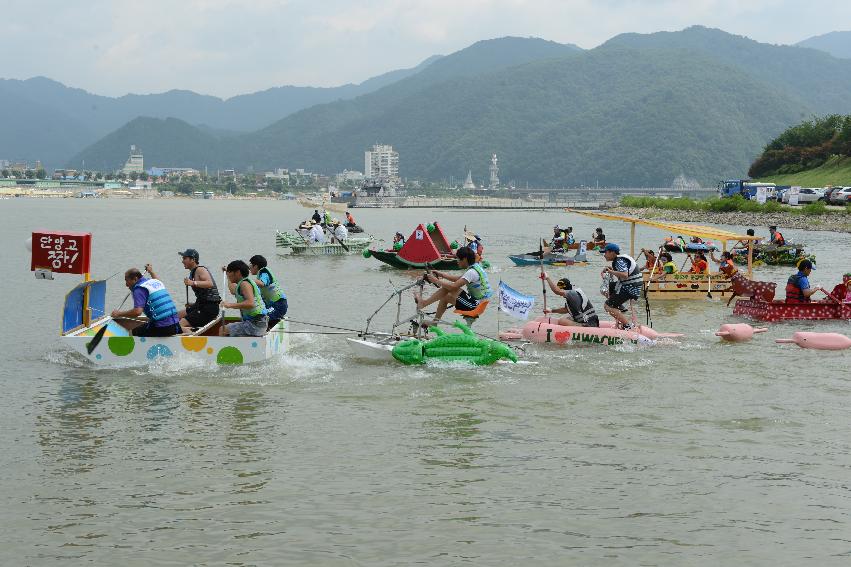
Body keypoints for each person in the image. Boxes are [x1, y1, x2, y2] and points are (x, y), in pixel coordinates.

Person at [148, 248, 222, 333]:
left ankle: (191, 336)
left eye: (184, 258)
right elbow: (204, 294)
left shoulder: (200, 269)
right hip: (200, 305)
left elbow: (209, 283)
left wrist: (192, 283)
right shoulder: (193, 272)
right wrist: (193, 304)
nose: (182, 261)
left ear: (193, 259)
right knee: (173, 316)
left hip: (209, 309)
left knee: (178, 325)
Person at [414, 246, 491, 322]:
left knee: (448, 288)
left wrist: (436, 280)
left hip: (475, 306)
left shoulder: (471, 272)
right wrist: (441, 274)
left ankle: (424, 303)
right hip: (479, 304)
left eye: (458, 258)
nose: (457, 261)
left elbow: (453, 287)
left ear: (464, 259)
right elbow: (458, 279)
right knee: (445, 296)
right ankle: (434, 322)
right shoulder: (476, 268)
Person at [112, 268, 181, 337]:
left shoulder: (139, 289)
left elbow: (137, 312)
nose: (126, 285)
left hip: (163, 327)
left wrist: (119, 314)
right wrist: (151, 272)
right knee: (146, 325)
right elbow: (157, 280)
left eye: (127, 281)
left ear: (135, 279)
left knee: (133, 333)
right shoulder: (155, 282)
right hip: (176, 324)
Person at [220, 260, 269, 336]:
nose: (228, 274)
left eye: (230, 272)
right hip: (257, 322)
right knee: (228, 329)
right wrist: (227, 275)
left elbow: (250, 303)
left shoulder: (244, 284)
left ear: (238, 272)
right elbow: (233, 290)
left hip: (255, 324)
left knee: (223, 329)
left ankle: (224, 347)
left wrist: (229, 305)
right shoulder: (243, 283)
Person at [601, 243, 643, 329]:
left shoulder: (619, 261)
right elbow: (622, 275)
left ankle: (627, 326)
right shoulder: (620, 260)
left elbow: (624, 275)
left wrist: (611, 272)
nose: (604, 255)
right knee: (607, 288)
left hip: (630, 288)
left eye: (605, 253)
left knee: (607, 306)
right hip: (632, 286)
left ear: (612, 252)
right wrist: (612, 270)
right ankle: (620, 307)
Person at [249, 255, 288, 329]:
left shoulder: (264, 273)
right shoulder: (261, 274)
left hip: (278, 306)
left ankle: (264, 334)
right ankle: (270, 327)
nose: (249, 268)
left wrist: (248, 281)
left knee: (260, 319)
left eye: (250, 265)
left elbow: (262, 283)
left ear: (256, 266)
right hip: (274, 305)